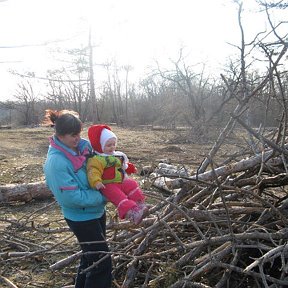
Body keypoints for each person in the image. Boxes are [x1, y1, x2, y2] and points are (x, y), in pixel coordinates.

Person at [43, 110, 112, 288]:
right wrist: (103, 195)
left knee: (91, 258)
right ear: (60, 134)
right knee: (101, 262)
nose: (77, 138)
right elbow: (71, 198)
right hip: (81, 217)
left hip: (96, 211)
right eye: (72, 135)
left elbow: (97, 169)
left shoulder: (83, 147)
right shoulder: (56, 162)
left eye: (78, 133)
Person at [87, 124, 148, 225]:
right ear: (100, 145)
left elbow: (124, 165)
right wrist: (96, 181)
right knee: (118, 195)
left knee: (131, 184)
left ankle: (139, 204)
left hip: (120, 181)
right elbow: (93, 171)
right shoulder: (97, 159)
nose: (112, 147)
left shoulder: (117, 155)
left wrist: (130, 167)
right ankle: (131, 213)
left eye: (113, 144)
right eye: (108, 145)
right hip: (107, 185)